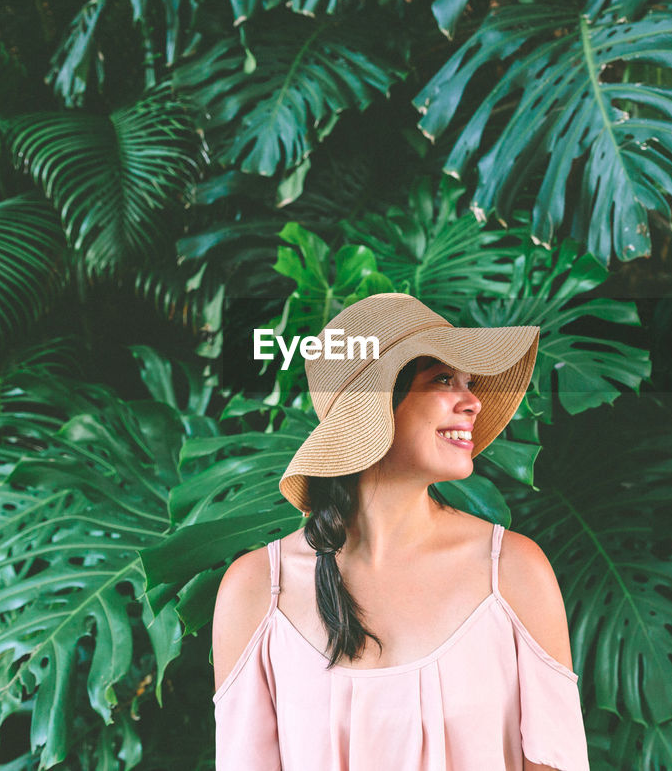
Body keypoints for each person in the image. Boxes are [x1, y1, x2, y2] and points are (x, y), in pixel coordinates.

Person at [212, 293, 590, 771]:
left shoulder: (513, 573)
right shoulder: (255, 592)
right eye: (443, 380)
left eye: (469, 382)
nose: (473, 401)